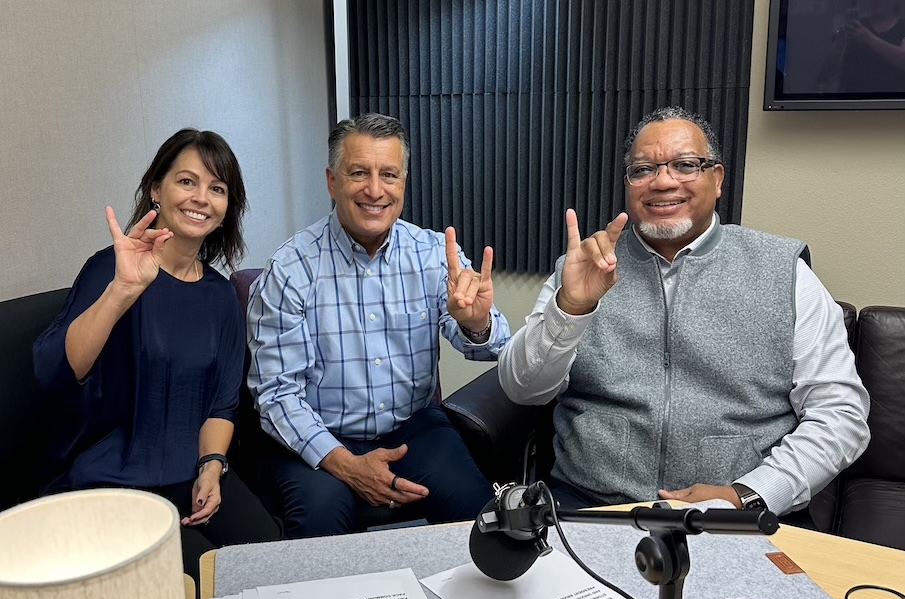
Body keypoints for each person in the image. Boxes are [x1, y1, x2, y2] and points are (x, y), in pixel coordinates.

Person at [498, 107, 870, 518]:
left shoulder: (783, 272)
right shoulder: (584, 266)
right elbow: (523, 389)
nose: (662, 181)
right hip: (589, 504)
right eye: (643, 169)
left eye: (685, 165)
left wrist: (750, 493)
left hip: (741, 511)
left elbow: (840, 414)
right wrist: (571, 308)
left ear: (718, 179)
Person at [247, 113, 510, 538]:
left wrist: (476, 323)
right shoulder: (290, 270)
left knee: (480, 521)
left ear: (403, 182)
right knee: (320, 526)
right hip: (321, 434)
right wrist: (348, 466)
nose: (375, 190)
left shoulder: (432, 254)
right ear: (332, 182)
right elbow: (276, 396)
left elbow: (492, 345)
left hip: (414, 429)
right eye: (358, 173)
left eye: (388, 174)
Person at [34, 128, 282, 578]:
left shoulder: (221, 296)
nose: (201, 198)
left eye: (217, 188)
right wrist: (122, 291)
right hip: (112, 481)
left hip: (189, 473)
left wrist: (211, 466)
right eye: (186, 181)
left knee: (268, 557)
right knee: (201, 582)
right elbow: (59, 370)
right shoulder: (113, 269)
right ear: (156, 190)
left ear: (227, 208)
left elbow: (222, 403)